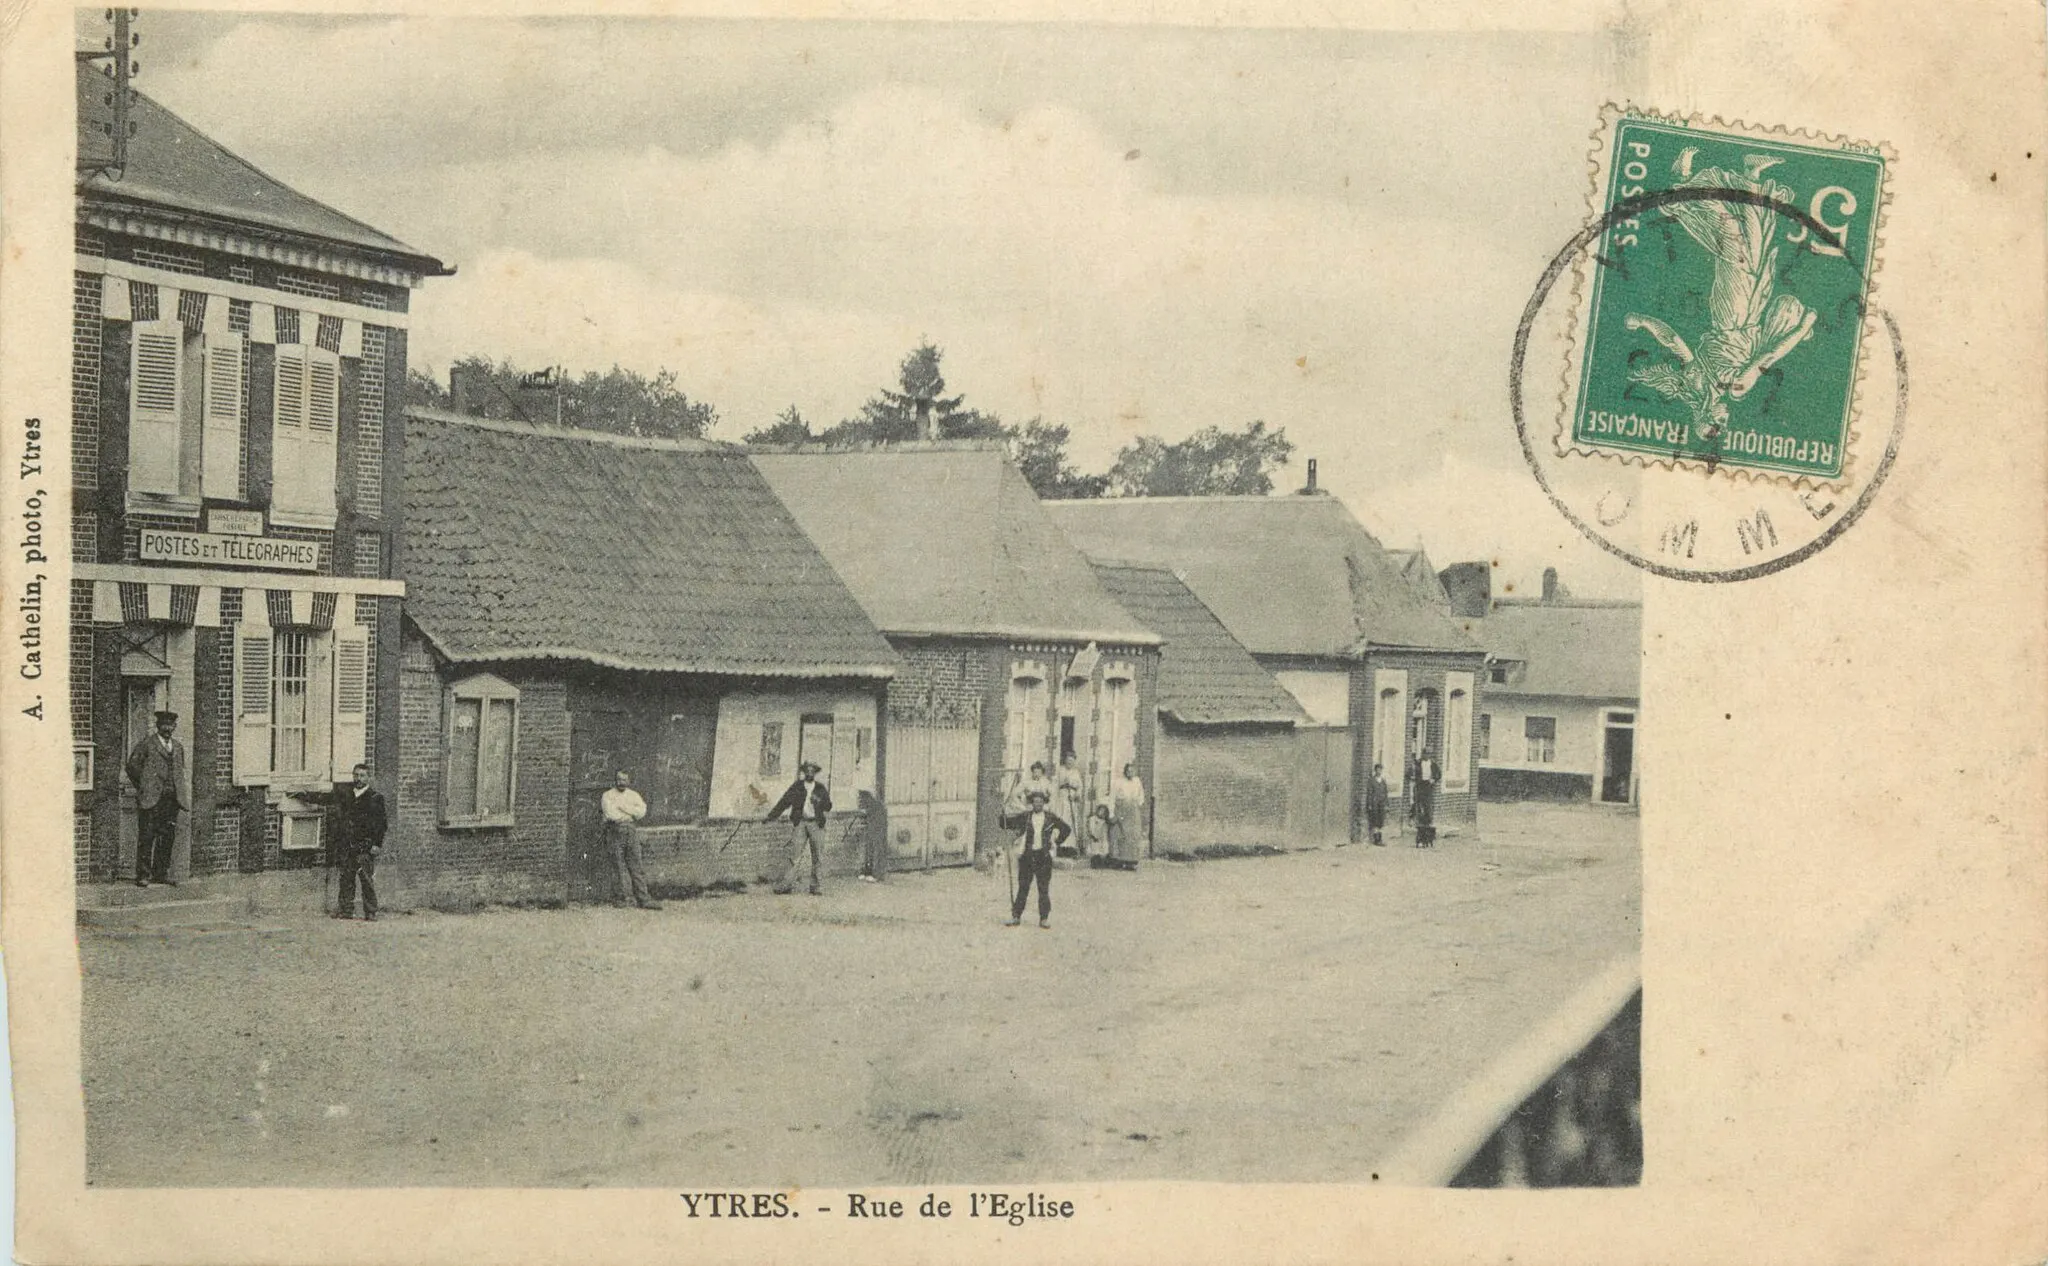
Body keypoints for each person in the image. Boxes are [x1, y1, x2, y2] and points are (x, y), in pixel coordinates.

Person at [301, 763, 388, 919]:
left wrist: (377, 844)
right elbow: (326, 799)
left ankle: (371, 911)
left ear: (368, 777)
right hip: (347, 844)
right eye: (356, 775)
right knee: (346, 878)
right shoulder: (346, 794)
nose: (358, 778)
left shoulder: (376, 798)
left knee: (366, 879)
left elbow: (381, 824)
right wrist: (305, 795)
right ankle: (346, 910)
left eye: (362, 775)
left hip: (365, 846)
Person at [123, 709, 186, 887]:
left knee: (167, 837)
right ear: (158, 726)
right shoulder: (147, 744)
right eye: (164, 725)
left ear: (174, 727)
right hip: (151, 799)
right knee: (147, 836)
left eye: (171, 725)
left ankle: (161, 873)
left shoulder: (178, 747)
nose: (167, 728)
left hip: (171, 800)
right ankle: (143, 875)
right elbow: (132, 767)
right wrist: (144, 786)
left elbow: (179, 772)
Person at [1000, 788, 1069, 928]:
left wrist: (1056, 842)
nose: (1037, 804)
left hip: (1043, 857)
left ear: (1044, 803)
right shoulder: (1025, 817)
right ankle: (1016, 916)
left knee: (1043, 889)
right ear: (1031, 803)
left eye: (1040, 801)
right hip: (1027, 857)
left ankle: (1044, 919)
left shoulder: (1050, 817)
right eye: (1035, 801)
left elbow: (1066, 829)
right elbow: (1007, 824)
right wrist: (1002, 814)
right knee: (1023, 888)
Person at [765, 760, 832, 895]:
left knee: (817, 856)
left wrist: (819, 801)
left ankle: (816, 886)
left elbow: (828, 806)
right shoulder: (797, 786)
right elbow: (784, 801)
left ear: (815, 773)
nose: (809, 772)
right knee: (794, 855)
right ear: (804, 772)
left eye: (812, 770)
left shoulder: (820, 788)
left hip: (816, 824)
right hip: (800, 823)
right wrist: (771, 816)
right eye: (807, 770)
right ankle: (786, 885)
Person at [601, 770, 660, 909]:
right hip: (616, 830)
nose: (621, 782)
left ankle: (643, 899)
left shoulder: (634, 795)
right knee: (618, 865)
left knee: (636, 865)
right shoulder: (608, 795)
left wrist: (623, 808)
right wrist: (630, 813)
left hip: (631, 831)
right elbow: (611, 814)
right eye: (619, 779)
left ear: (629, 781)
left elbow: (641, 813)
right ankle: (620, 899)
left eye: (624, 780)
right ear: (615, 780)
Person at [1108, 761, 1147, 869]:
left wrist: (1137, 803)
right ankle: (1119, 860)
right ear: (1125, 772)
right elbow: (1112, 798)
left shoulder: (1137, 781)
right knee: (1121, 835)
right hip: (1121, 810)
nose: (1130, 773)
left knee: (1133, 835)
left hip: (1133, 812)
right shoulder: (1118, 782)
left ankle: (1131, 861)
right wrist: (1111, 813)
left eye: (1132, 771)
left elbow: (1141, 796)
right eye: (1128, 771)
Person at [1055, 751, 1087, 858]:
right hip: (1062, 797)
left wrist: (1075, 795)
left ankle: (1070, 847)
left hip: (1071, 799)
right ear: (1065, 760)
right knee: (1062, 819)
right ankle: (1060, 846)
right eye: (1068, 761)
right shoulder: (1060, 770)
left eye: (1072, 761)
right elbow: (1056, 784)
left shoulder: (1076, 772)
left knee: (1071, 821)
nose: (1070, 763)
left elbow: (1080, 787)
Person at [1413, 751, 1439, 848]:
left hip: (1428, 785)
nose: (1426, 756)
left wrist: (1434, 779)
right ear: (1422, 755)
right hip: (1420, 785)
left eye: (1428, 754)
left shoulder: (1433, 764)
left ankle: (1427, 832)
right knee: (1419, 807)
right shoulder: (1418, 763)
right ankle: (1420, 828)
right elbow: (1412, 772)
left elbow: (1438, 774)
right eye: (1425, 754)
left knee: (1428, 807)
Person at [1365, 762, 1391, 846]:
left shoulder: (1383, 781)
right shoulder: (1371, 781)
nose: (1379, 771)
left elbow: (1385, 793)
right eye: (1377, 770)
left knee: (1381, 821)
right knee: (1375, 820)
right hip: (1374, 803)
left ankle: (1380, 839)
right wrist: (1369, 804)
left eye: (1380, 770)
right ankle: (1376, 839)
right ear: (1375, 770)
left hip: (1382, 803)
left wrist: (1387, 804)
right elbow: (1369, 793)